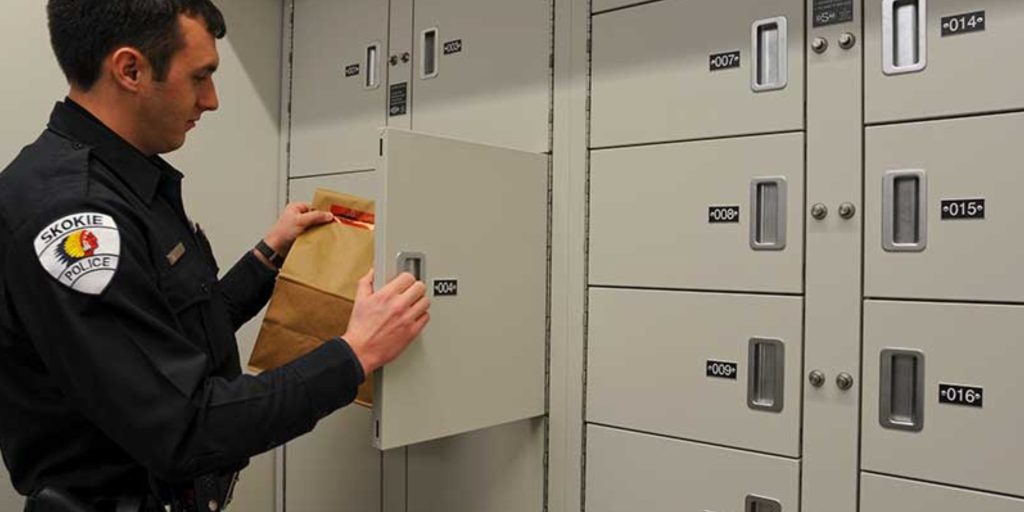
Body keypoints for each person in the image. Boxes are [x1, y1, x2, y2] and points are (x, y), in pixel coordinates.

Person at [0, 1, 431, 511]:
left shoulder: (125, 183)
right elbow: (186, 428)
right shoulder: (77, 214)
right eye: (200, 76)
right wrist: (354, 354)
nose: (212, 100)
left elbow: (171, 338)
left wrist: (267, 257)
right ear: (130, 69)